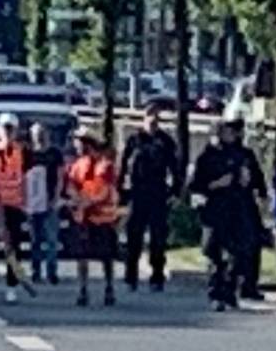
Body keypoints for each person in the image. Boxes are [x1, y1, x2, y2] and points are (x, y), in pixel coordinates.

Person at [189, 117, 270, 311]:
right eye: (226, 131)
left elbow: (258, 181)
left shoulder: (244, 155)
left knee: (240, 252)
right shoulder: (208, 157)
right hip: (216, 210)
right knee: (214, 253)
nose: (230, 134)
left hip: (240, 208)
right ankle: (216, 293)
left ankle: (231, 291)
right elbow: (195, 185)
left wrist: (255, 187)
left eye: (232, 131)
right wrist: (216, 184)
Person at [119, 105, 185, 292]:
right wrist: (121, 193)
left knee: (158, 238)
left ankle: (157, 276)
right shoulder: (134, 140)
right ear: (144, 119)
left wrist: (175, 192)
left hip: (158, 194)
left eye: (156, 119)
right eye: (150, 117)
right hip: (137, 193)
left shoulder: (165, 142)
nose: (153, 121)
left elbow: (175, 169)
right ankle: (130, 276)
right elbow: (123, 167)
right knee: (134, 237)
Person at [64, 130, 122, 306]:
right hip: (84, 218)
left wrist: (86, 202)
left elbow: (104, 190)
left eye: (80, 143)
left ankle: (109, 287)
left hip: (103, 219)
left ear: (88, 145)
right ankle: (83, 289)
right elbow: (71, 185)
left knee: (106, 256)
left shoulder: (105, 165)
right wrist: (75, 199)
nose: (77, 147)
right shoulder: (78, 165)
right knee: (82, 255)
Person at [0, 113, 29, 303]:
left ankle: (11, 286)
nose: (7, 133)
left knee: (13, 248)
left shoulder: (23, 152)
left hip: (15, 205)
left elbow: (27, 178)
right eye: (4, 128)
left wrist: (27, 204)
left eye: (11, 129)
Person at [23, 121, 65, 285]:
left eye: (42, 133)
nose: (39, 136)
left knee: (52, 239)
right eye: (36, 133)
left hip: (50, 202)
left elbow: (60, 177)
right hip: (32, 204)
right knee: (35, 240)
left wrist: (56, 197)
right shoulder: (27, 154)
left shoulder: (55, 154)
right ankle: (36, 272)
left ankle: (52, 272)